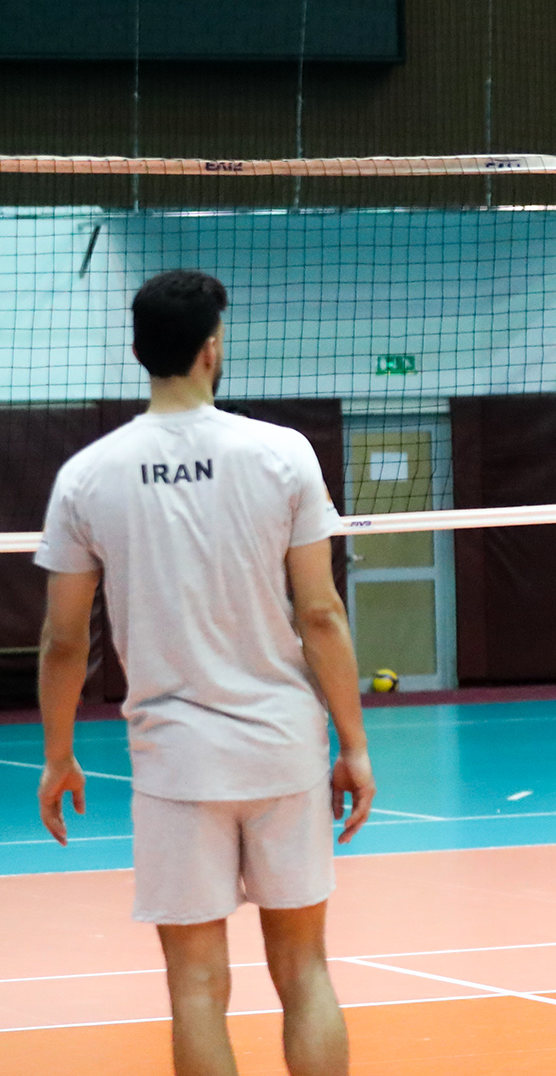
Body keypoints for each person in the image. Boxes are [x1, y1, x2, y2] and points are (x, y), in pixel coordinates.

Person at [36, 270, 375, 1076]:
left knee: (194, 985)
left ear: (136, 351)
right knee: (305, 968)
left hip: (176, 761)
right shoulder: (283, 453)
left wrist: (57, 755)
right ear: (212, 348)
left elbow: (63, 640)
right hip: (283, 749)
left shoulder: (87, 474)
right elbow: (321, 613)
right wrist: (355, 744)